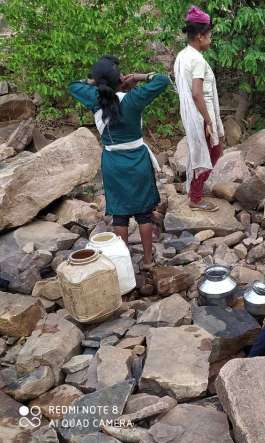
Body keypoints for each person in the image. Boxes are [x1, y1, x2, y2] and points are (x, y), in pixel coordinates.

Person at [68, 56, 169, 270]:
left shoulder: (95, 98)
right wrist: (139, 77)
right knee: (143, 213)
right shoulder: (134, 99)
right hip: (138, 160)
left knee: (120, 215)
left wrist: (95, 82)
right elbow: (162, 80)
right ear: (120, 79)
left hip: (113, 162)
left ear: (98, 81)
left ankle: (125, 266)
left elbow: (73, 85)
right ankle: (149, 261)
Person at [174, 5, 224, 212]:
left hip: (192, 114)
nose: (211, 39)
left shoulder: (182, 55)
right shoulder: (197, 60)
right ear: (201, 37)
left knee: (202, 153)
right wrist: (209, 121)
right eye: (209, 35)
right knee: (211, 153)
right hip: (202, 115)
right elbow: (196, 93)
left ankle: (194, 191)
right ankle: (195, 197)